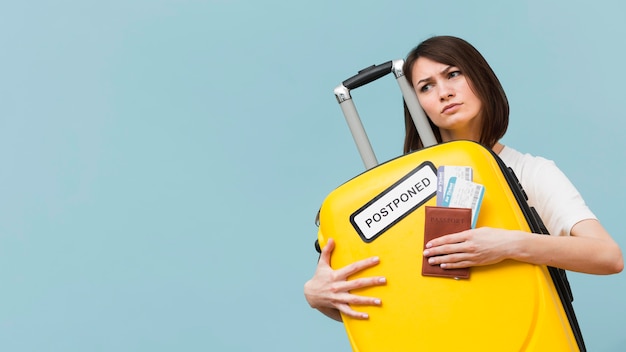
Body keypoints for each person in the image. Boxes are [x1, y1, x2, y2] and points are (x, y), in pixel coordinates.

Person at [304, 35, 623, 322]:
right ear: (417, 105)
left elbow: (608, 256)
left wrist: (509, 244)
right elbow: (388, 295)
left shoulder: (531, 172)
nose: (444, 93)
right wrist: (319, 297)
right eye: (425, 87)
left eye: (453, 74)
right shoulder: (404, 189)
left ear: (481, 78)